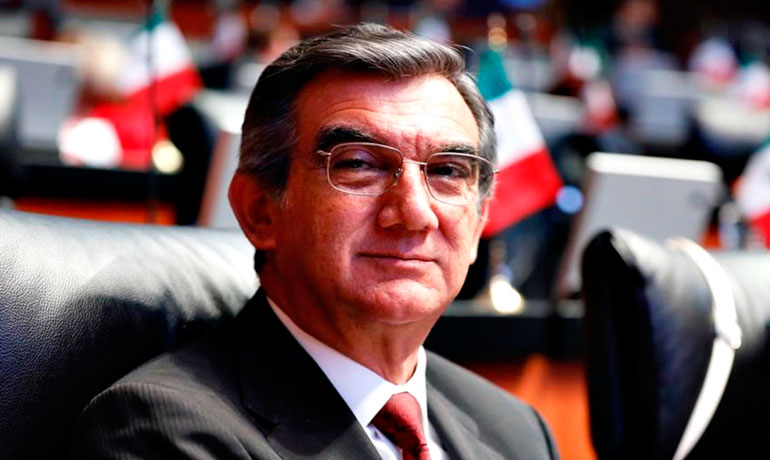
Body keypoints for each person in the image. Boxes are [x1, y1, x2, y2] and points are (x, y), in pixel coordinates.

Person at [69, 23, 559, 460]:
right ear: (260, 210)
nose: (414, 213)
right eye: (359, 164)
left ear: (479, 221)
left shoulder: (518, 431)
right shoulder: (164, 430)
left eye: (448, 171)